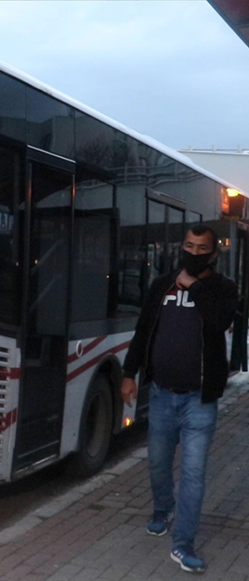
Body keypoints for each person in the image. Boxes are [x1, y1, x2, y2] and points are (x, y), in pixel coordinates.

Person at [121, 224, 238, 574]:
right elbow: (144, 330)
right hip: (161, 395)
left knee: (193, 474)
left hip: (199, 400)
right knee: (158, 463)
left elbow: (219, 322)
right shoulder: (162, 285)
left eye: (203, 248)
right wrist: (129, 373)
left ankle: (183, 543)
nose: (195, 252)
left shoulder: (223, 288)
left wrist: (197, 288)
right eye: (189, 246)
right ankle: (163, 509)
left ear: (214, 254)